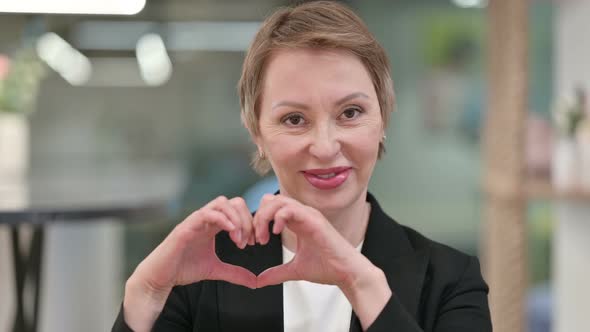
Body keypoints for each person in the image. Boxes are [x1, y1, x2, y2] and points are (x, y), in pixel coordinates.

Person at [112, 1, 492, 331]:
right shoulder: (201, 272)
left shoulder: (451, 280)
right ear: (256, 132)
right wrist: (143, 293)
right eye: (294, 119)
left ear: (384, 119)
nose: (325, 148)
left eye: (351, 112)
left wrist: (361, 284)